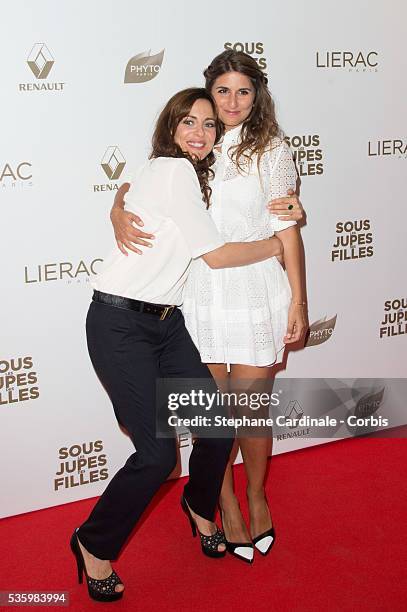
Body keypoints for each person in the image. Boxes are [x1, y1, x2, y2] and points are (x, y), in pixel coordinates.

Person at [71, 87, 286, 603]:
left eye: (209, 125)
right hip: (120, 323)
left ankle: (197, 504)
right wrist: (281, 241)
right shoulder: (174, 171)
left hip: (168, 325)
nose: (199, 132)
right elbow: (214, 256)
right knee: (155, 454)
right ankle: (91, 543)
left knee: (216, 430)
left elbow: (126, 188)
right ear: (171, 128)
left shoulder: (177, 174)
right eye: (188, 122)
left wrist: (117, 204)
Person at [110, 51, 307, 564]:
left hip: (257, 290)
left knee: (250, 410)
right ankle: (223, 506)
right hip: (199, 292)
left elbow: (287, 230)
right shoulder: (194, 145)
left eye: (244, 91)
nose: (233, 102)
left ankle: (257, 495)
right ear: (209, 94)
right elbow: (137, 186)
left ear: (257, 95)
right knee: (210, 417)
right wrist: (116, 209)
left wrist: (300, 301)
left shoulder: (273, 150)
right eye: (223, 91)